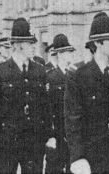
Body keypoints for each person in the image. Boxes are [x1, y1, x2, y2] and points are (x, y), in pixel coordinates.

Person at [0, 18, 54, 173]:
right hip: (7, 141)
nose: (34, 46)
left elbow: (46, 107)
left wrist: (50, 134)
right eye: (30, 43)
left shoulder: (40, 71)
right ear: (17, 45)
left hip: (34, 141)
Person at [64, 12, 109, 174]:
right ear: (97, 42)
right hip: (92, 154)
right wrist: (77, 157)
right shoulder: (79, 75)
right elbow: (73, 120)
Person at [44, 33, 76, 173]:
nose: (71, 55)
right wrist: (49, 135)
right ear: (61, 54)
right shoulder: (50, 77)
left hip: (71, 132)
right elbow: (46, 109)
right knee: (54, 167)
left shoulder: (73, 75)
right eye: (69, 52)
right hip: (56, 132)